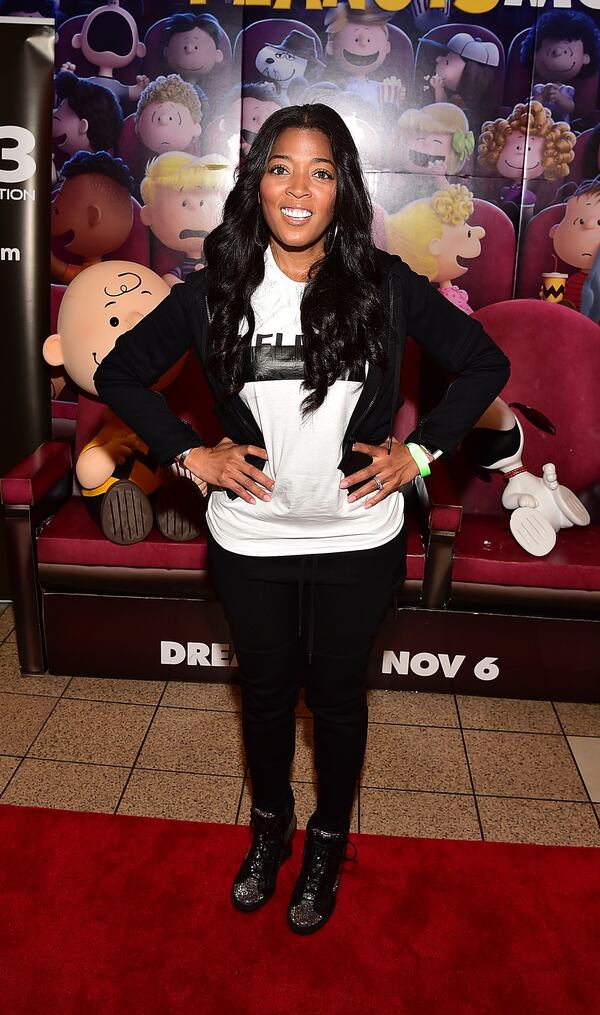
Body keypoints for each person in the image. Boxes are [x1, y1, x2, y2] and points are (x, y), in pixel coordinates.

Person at [93, 103, 510, 936]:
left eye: (321, 172)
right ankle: (270, 827)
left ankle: (327, 839)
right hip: (253, 539)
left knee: (339, 698)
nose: (299, 187)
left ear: (341, 188)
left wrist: (419, 453)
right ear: (258, 181)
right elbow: (121, 373)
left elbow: (484, 362)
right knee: (266, 695)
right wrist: (190, 456)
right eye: (282, 167)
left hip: (359, 536)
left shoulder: (386, 285)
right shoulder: (216, 288)